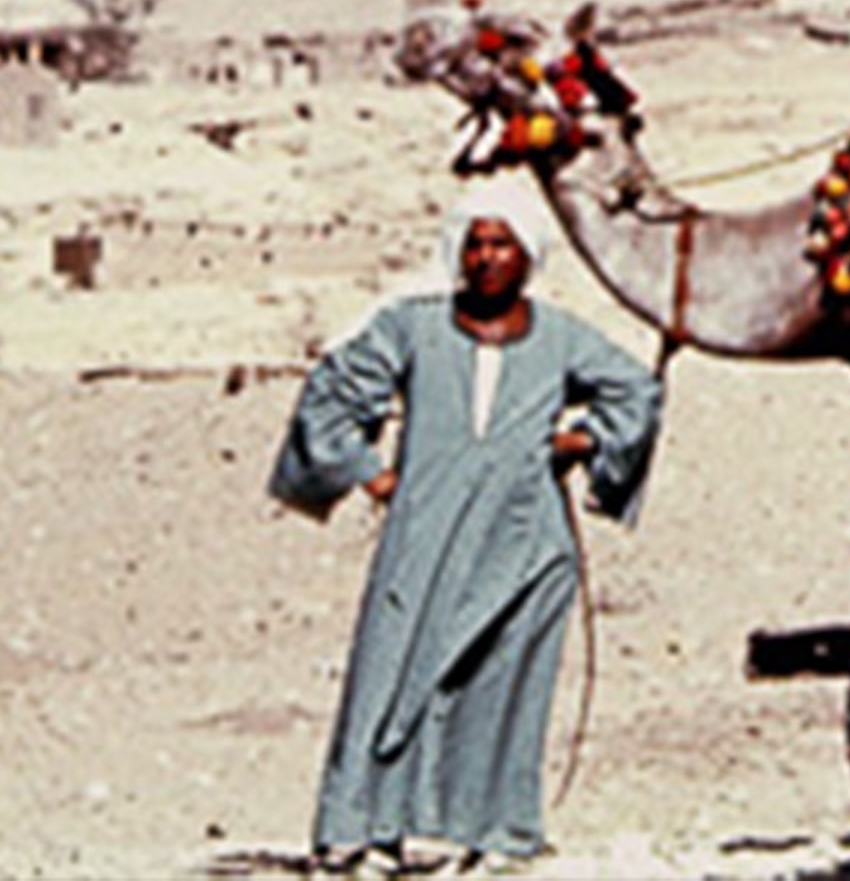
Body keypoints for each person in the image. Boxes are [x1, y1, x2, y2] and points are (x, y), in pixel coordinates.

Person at [269, 189, 662, 875]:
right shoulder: (412, 327)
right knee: (388, 671)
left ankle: (495, 836)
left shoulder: (563, 337)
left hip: (524, 544)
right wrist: (367, 469)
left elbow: (636, 390)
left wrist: (583, 440)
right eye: (475, 243)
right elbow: (332, 390)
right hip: (425, 536)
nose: (485, 258)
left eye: (501, 244)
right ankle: (360, 830)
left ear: (528, 258)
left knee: (504, 687)